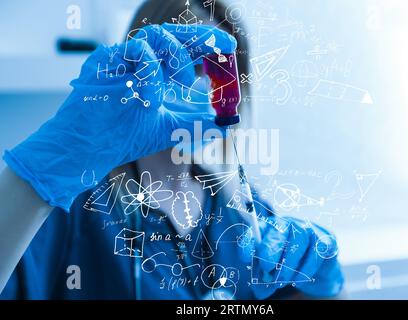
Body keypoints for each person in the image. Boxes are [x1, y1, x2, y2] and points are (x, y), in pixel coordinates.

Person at [0, 0, 344, 299]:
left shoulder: (242, 210)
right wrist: (32, 180)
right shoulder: (76, 207)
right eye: (198, 66)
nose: (213, 86)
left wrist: (325, 282)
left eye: (227, 72)